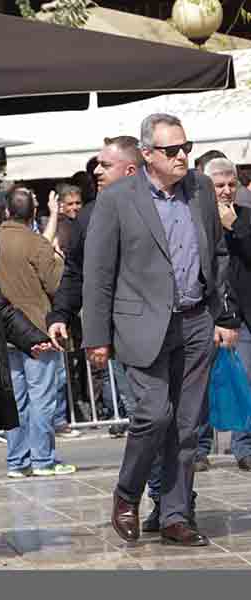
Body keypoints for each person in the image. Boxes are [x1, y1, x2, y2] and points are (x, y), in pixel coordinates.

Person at [84, 113, 239, 548]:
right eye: (172, 150)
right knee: (154, 415)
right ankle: (127, 493)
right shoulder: (118, 199)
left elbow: (218, 251)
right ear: (147, 154)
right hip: (142, 325)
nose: (182, 156)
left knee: (187, 426)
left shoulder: (201, 189)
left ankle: (175, 515)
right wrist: (96, 336)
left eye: (186, 147)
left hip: (195, 321)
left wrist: (220, 312)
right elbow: (99, 273)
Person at [47, 136, 143, 437]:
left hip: (166, 324)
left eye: (105, 165)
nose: (97, 171)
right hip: (121, 328)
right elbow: (75, 271)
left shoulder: (160, 207)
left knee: (168, 412)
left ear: (130, 171)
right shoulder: (89, 216)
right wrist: (61, 314)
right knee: (142, 412)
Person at [0, 189, 76, 478]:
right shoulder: (35, 242)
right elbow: (56, 284)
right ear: (33, 213)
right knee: (42, 397)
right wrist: (59, 259)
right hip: (38, 328)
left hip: (4, 330)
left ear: (6, 211)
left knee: (15, 399)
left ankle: (17, 461)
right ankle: (43, 459)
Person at [197, 157, 251, 472]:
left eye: (231, 184)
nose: (227, 190)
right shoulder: (195, 218)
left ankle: (245, 446)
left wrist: (236, 227)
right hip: (206, 311)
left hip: (242, 313)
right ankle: (198, 447)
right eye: (219, 185)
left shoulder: (245, 217)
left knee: (245, 379)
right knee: (201, 382)